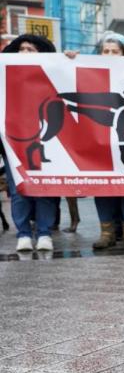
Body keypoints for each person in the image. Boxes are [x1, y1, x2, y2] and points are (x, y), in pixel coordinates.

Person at [79, 33, 124, 250]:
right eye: (105, 51)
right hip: (99, 140)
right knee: (103, 187)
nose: (110, 55)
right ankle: (106, 233)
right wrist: (69, 58)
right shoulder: (90, 72)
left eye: (114, 51)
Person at [2, 34, 62, 252]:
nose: (25, 52)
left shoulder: (52, 76)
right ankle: (24, 234)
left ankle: (44, 233)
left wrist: (69, 59)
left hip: (46, 141)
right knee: (19, 189)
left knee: (44, 188)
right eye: (22, 48)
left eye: (31, 49)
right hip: (13, 143)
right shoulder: (4, 76)